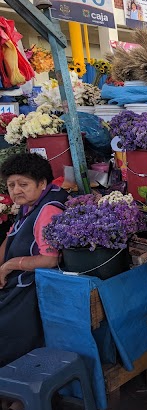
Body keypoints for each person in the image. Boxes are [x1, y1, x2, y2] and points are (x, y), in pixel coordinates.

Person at [0, 153, 68, 367]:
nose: (16, 190)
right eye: (11, 185)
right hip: (15, 279)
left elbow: (50, 259)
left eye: (23, 184)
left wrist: (9, 265)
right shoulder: (29, 204)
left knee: (8, 327)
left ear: (42, 183)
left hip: (31, 286)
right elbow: (10, 237)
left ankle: (18, 385)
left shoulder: (48, 210)